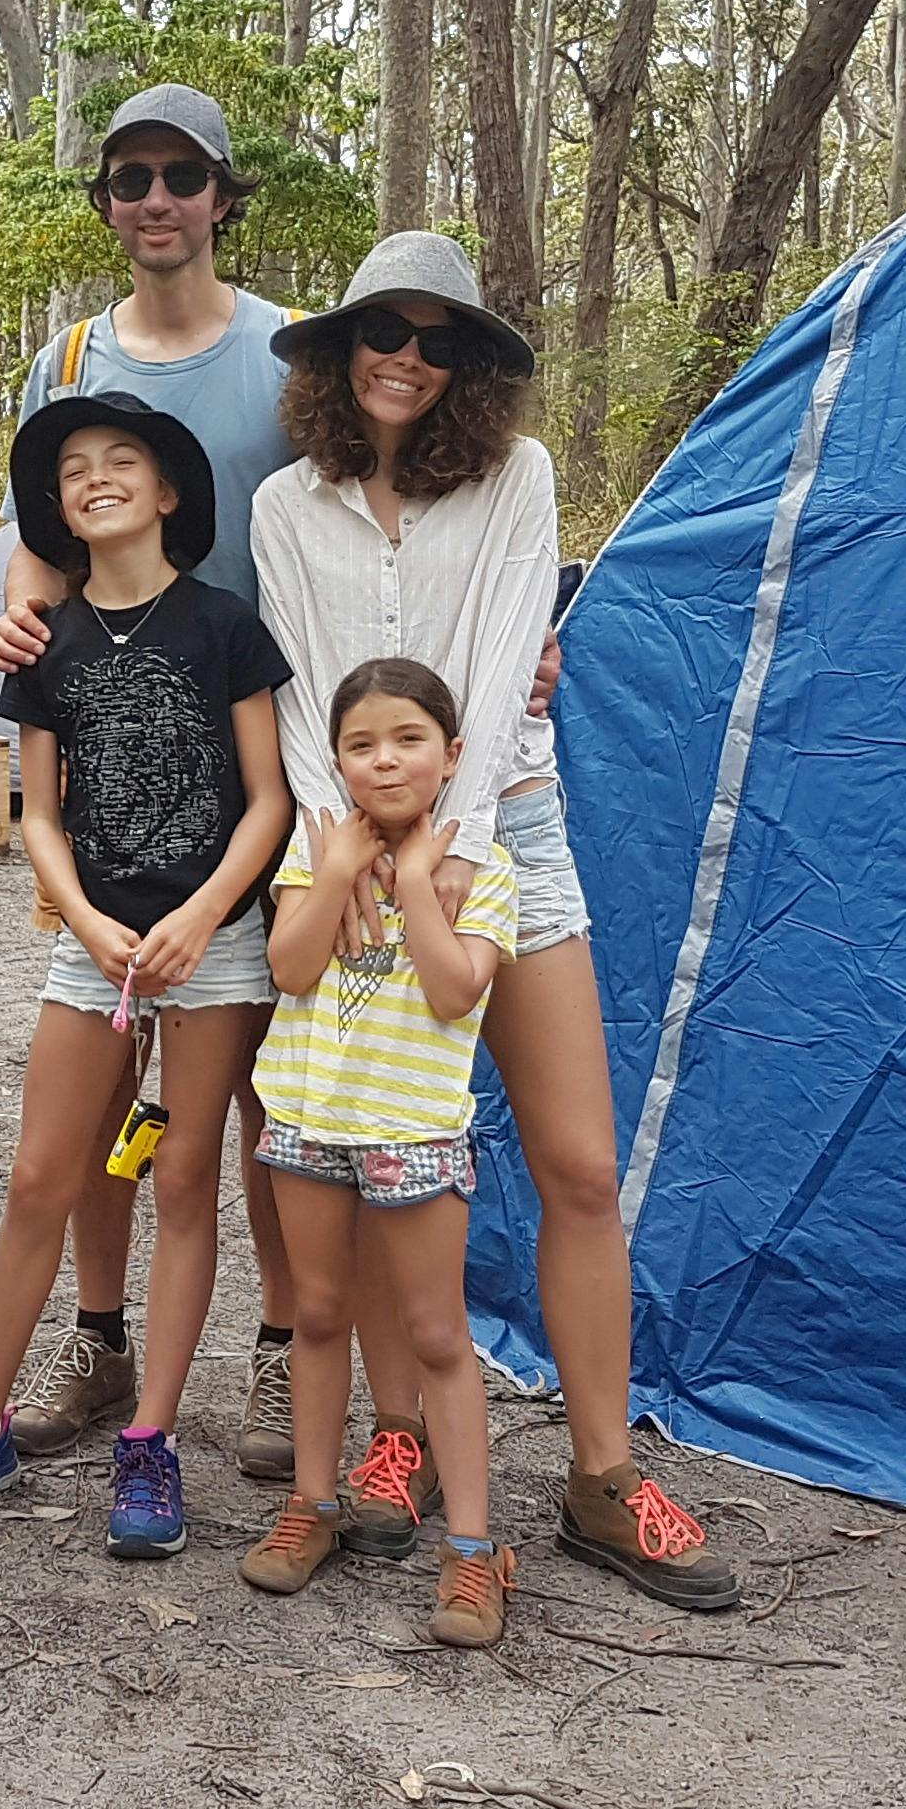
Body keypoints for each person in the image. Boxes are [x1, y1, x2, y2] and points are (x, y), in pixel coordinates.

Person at [249, 230, 736, 1613]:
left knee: (579, 1161)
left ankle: (599, 1478)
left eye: (437, 339)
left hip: (500, 830)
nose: (406, 357)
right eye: (383, 332)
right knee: (371, 1136)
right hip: (338, 831)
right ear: (345, 351)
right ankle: (396, 1450)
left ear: (469, 368)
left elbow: (510, 638)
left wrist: (440, 852)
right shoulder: (289, 507)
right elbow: (294, 692)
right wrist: (339, 857)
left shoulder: (517, 479)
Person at [0, 391, 292, 1561]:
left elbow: (268, 800)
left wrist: (206, 917)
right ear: (53, 510)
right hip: (92, 945)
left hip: (219, 948)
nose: (96, 477)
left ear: (168, 495)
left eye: (123, 461)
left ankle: (151, 1441)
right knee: (41, 1174)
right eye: (72, 470)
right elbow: (38, 815)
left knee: (184, 1180)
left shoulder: (225, 627)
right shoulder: (42, 642)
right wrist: (92, 920)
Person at [0, 84, 306, 1479]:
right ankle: (101, 1348)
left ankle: (288, 1354)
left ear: (223, 198)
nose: (156, 199)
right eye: (130, 179)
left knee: (258, 1102)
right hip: (110, 771)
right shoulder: (71, 352)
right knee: (109, 1079)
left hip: (261, 747)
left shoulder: (292, 351)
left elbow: (364, 511)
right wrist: (16, 613)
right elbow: (46, 527)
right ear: (107, 205)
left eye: (181, 176)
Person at [236, 657, 524, 1648]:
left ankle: (475, 1552)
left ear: (451, 756)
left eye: (407, 740)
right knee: (318, 1313)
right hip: (311, 1122)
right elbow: (289, 963)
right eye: (360, 744)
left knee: (437, 1334)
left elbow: (454, 992)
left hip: (414, 1135)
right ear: (337, 762)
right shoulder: (316, 851)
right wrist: (343, 871)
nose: (384, 760)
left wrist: (410, 881)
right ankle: (313, 1504)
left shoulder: (478, 873)